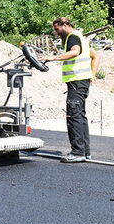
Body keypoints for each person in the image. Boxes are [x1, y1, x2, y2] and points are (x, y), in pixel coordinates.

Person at [41, 17, 100, 163]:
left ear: (65, 25)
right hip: (81, 81)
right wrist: (92, 74)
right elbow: (95, 56)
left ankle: (77, 152)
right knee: (80, 115)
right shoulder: (81, 37)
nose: (56, 32)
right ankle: (85, 152)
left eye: (57, 29)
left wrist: (53, 58)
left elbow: (75, 52)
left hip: (77, 81)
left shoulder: (73, 37)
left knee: (73, 116)